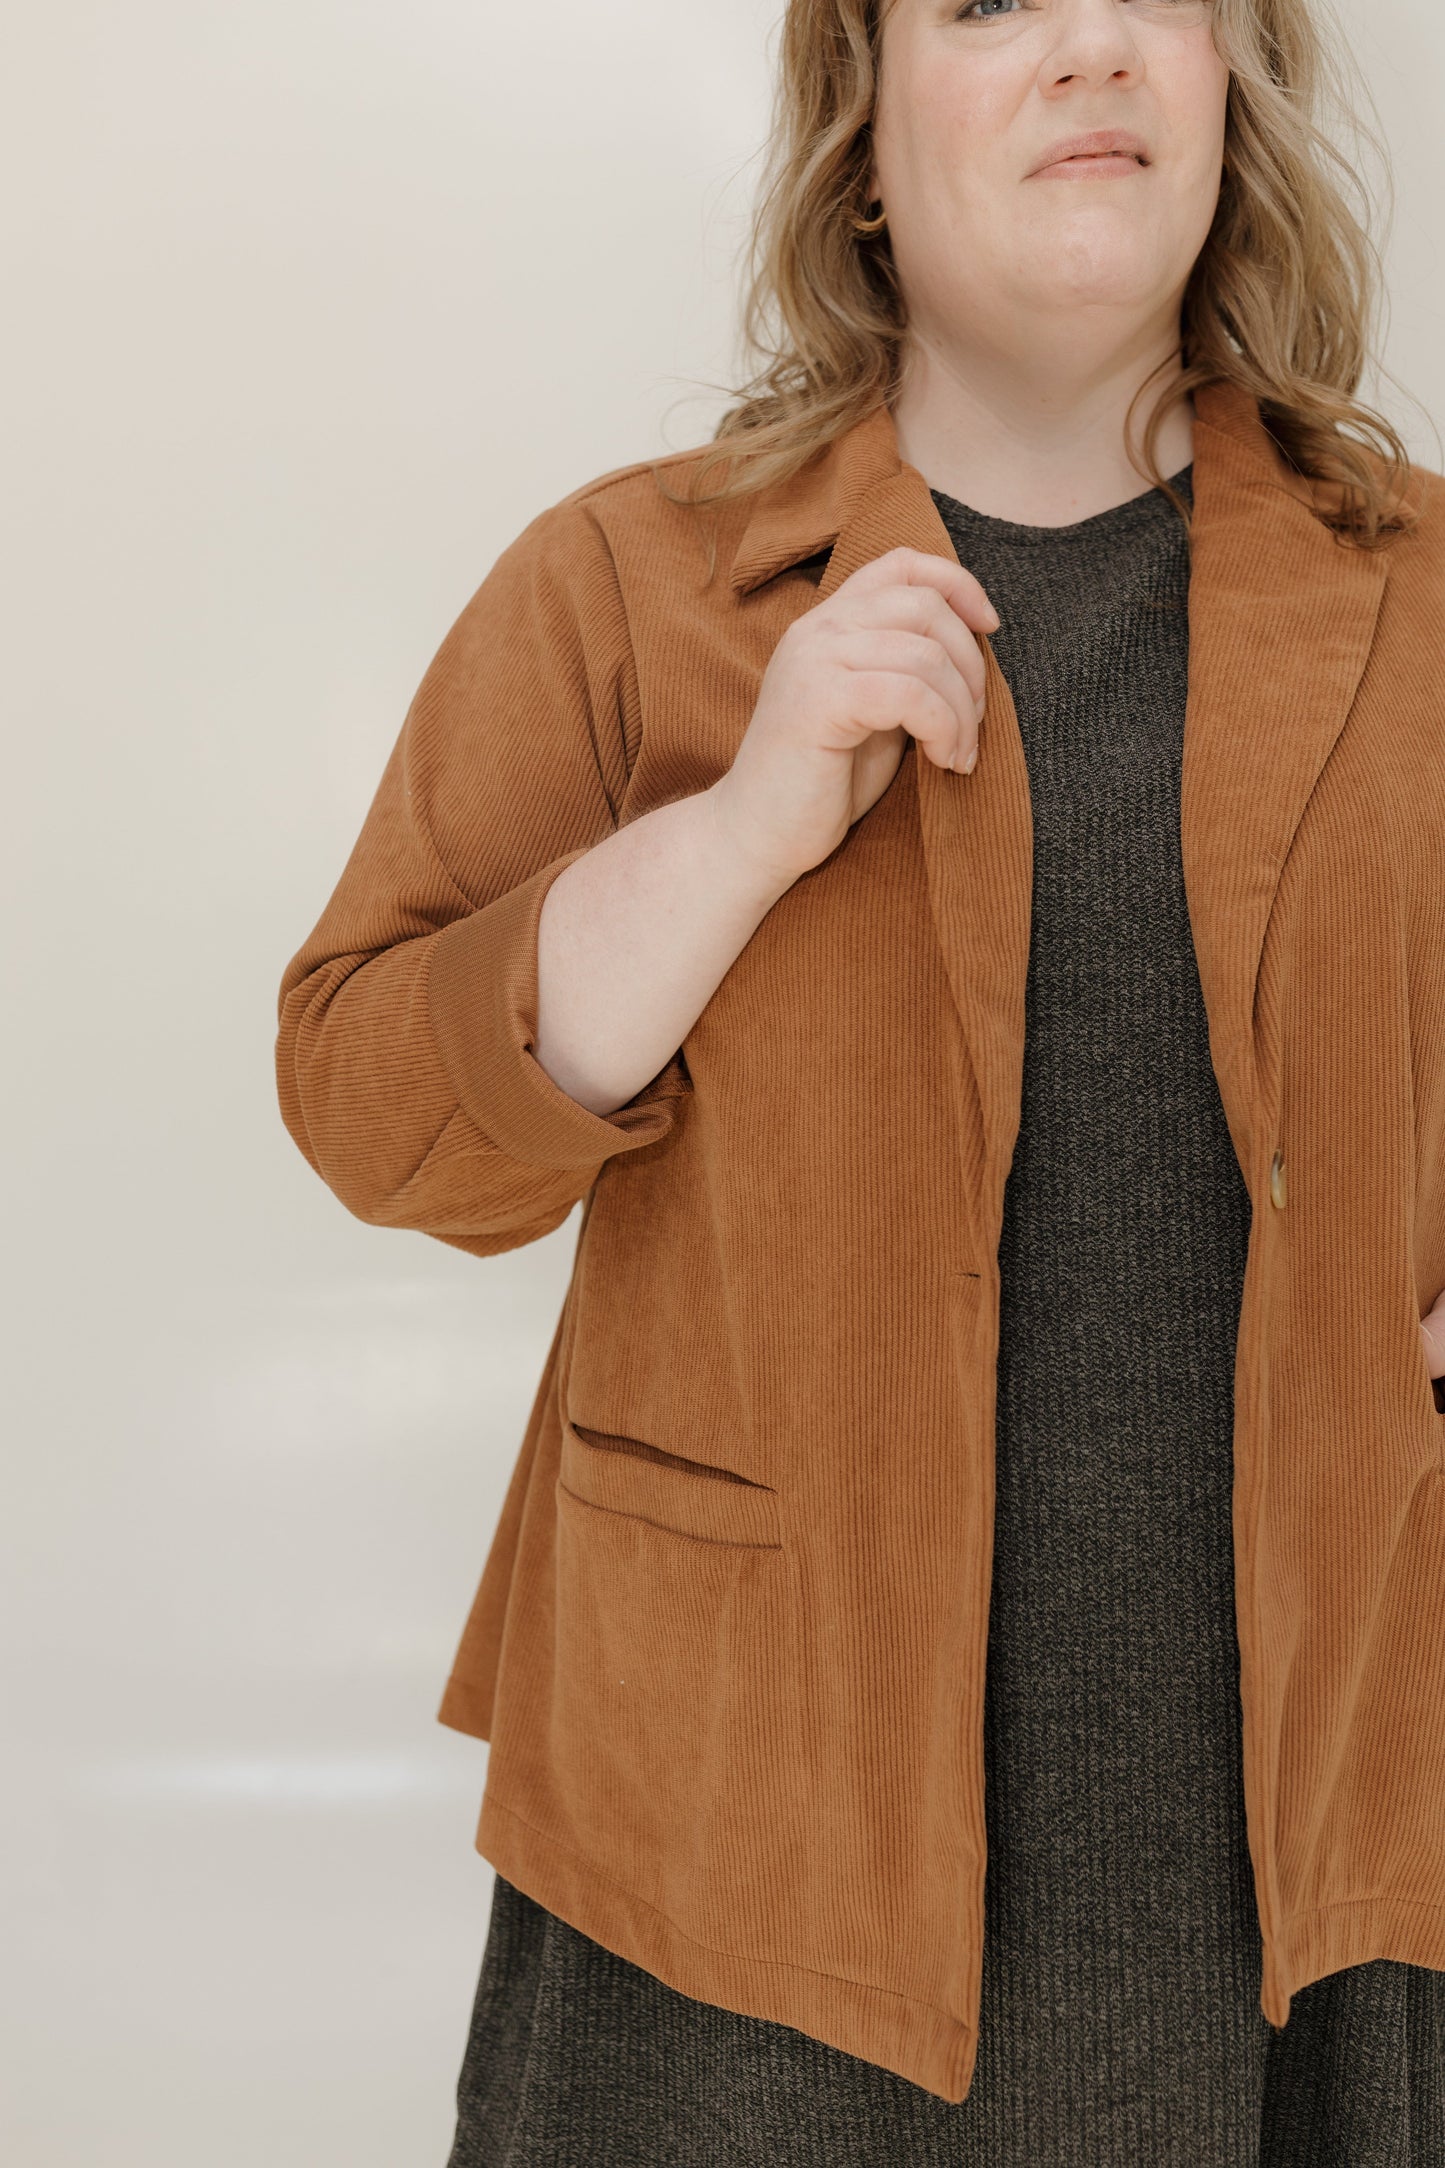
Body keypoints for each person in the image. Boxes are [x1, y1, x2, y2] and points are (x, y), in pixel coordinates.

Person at [275, 0, 1445, 2160]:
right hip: (731, 1893)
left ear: (1231, 89)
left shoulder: (1426, 601)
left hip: (1297, 1881)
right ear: (866, 134)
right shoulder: (634, 587)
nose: (1097, 46)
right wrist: (733, 836)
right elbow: (373, 1106)